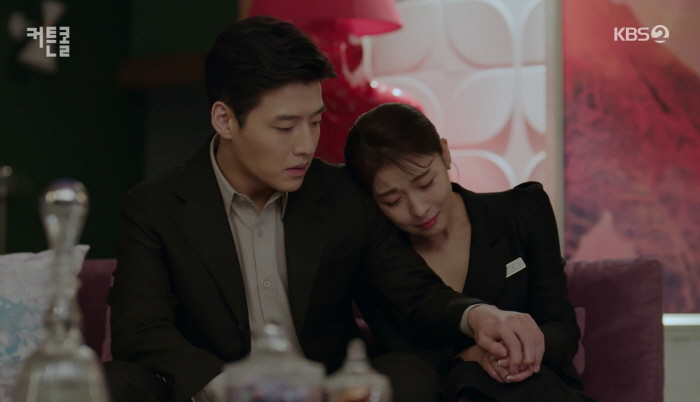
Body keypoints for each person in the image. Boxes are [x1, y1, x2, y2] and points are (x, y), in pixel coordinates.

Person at [105, 16, 545, 402]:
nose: (306, 145)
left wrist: (478, 315)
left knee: (407, 376)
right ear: (225, 120)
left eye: (314, 121)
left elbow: (410, 291)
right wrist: (226, 390)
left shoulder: (342, 193)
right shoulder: (155, 208)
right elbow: (141, 331)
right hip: (217, 394)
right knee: (116, 382)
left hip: (330, 393)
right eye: (285, 127)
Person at [344, 103, 596, 402]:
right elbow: (401, 353)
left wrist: (510, 354)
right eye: (393, 201)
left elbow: (561, 329)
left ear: (445, 153)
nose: (419, 209)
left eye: (425, 183)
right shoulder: (377, 257)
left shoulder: (522, 212)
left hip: (536, 385)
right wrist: (469, 356)